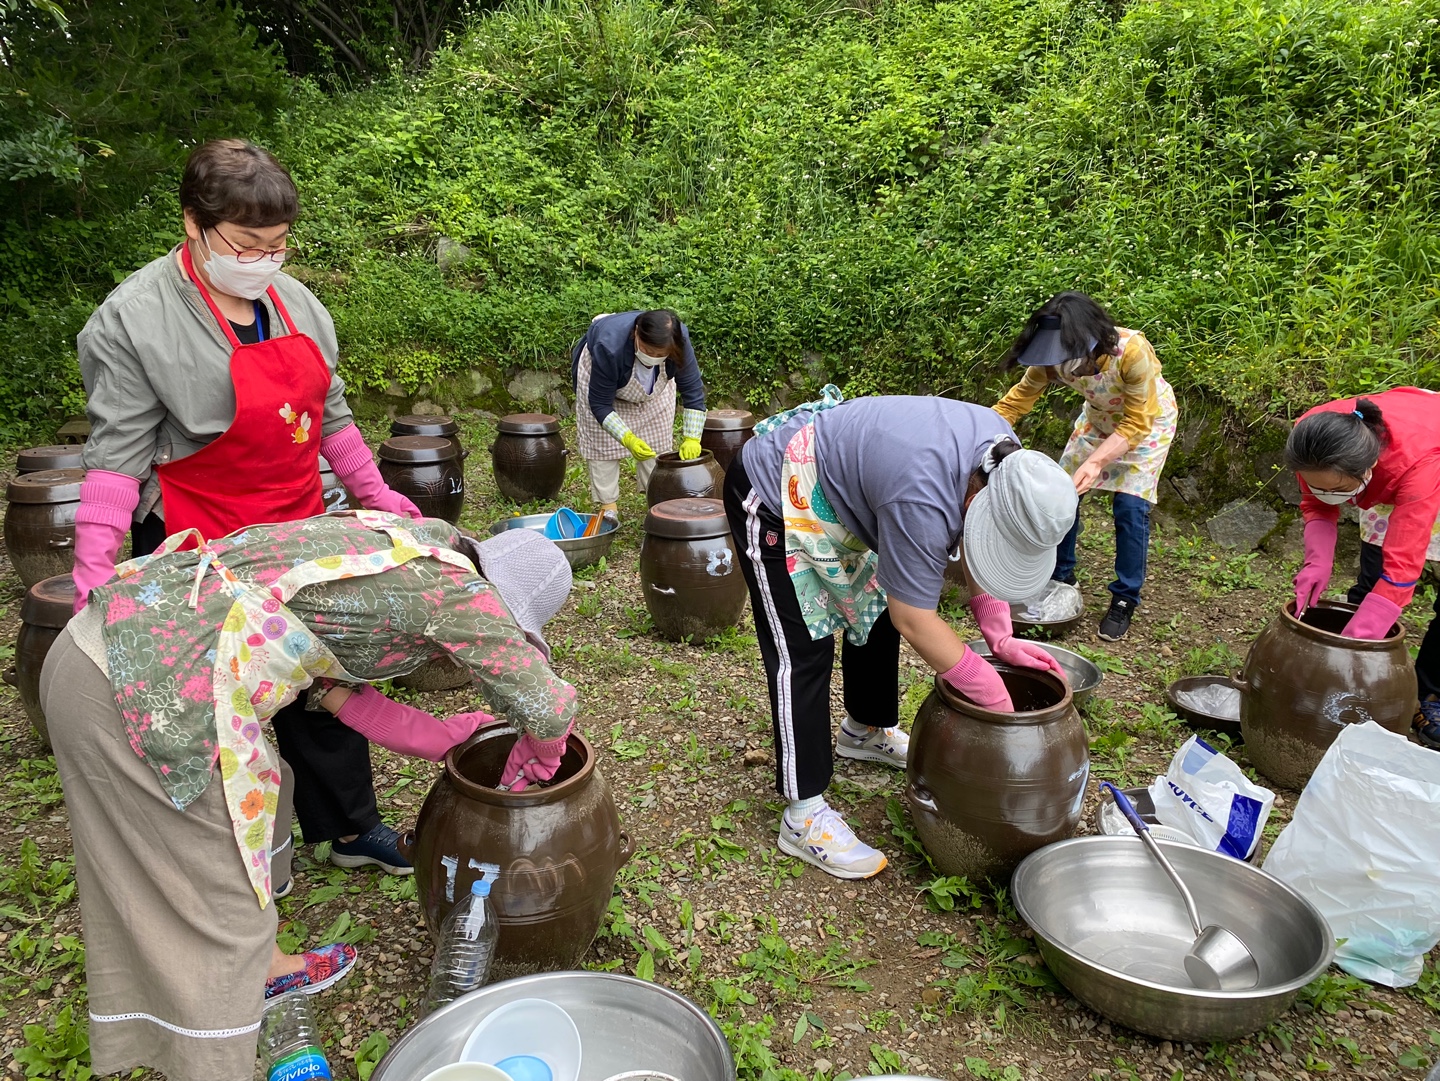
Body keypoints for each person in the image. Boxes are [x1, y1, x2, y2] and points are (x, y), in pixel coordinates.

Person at [39, 512, 577, 1079]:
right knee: (214, 903)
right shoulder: (461, 592)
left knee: (268, 792)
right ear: (502, 595)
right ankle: (215, 1057)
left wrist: (437, 736)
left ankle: (268, 970)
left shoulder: (404, 548)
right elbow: (550, 706)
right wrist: (540, 753)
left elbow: (343, 698)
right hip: (132, 688)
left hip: (105, 646)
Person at [74, 138, 422, 877]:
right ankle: (250, 855)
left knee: (322, 672)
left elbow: (332, 418)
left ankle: (351, 827)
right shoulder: (135, 320)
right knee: (224, 700)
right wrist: (92, 568)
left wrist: (376, 494)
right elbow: (116, 459)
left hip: (296, 521)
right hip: (198, 540)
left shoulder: (295, 305)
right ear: (194, 225)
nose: (265, 260)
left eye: (279, 245)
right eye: (247, 244)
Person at [722, 390, 1078, 879]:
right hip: (777, 488)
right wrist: (985, 684)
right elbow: (916, 617)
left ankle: (865, 729)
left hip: (852, 493)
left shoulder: (1010, 464)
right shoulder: (922, 496)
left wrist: (1000, 634)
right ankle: (803, 816)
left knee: (877, 609)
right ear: (973, 499)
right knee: (801, 647)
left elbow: (983, 543)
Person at [994, 292, 1178, 641]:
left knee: (1130, 506)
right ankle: (1061, 575)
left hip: (1148, 425)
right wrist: (974, 430)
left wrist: (1096, 462)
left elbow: (1138, 423)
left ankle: (1125, 598)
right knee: (1064, 496)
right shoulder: (1051, 357)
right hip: (1097, 423)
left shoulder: (1132, 351)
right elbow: (1016, 402)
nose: (1068, 366)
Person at [1286, 388, 1440, 748]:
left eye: (1337, 489)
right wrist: (1317, 560)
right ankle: (1350, 671)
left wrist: (1368, 630)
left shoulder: (1417, 468)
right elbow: (1317, 503)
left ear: (1367, 469)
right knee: (1371, 575)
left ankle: (1430, 695)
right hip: (1392, 454)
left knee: (1392, 589)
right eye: (1316, 484)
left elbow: (1402, 566)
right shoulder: (1312, 439)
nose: (1325, 493)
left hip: (1428, 452)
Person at [570, 309, 707, 522]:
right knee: (602, 444)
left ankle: (657, 501)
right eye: (647, 350)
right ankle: (608, 508)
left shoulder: (678, 340)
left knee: (657, 444)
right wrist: (628, 438)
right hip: (604, 385)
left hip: (653, 392)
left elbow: (692, 389)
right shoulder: (608, 347)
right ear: (636, 333)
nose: (652, 357)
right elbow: (600, 404)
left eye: (659, 354)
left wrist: (692, 437)